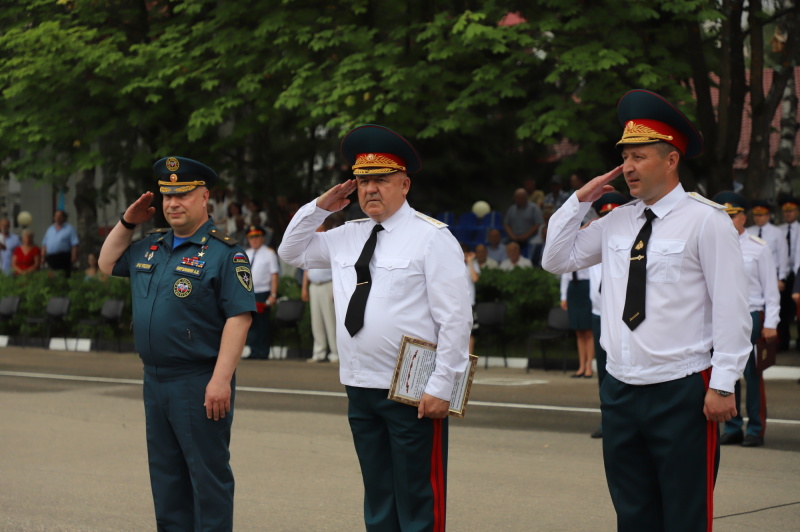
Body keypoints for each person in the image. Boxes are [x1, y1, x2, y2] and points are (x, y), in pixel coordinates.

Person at [542, 89, 751, 531]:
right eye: (624, 158)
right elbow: (557, 259)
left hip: (682, 390)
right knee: (633, 514)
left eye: (638, 157)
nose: (627, 168)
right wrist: (579, 200)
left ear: (671, 159)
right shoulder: (619, 219)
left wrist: (725, 384)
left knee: (684, 514)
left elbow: (732, 308)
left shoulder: (707, 221)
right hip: (620, 389)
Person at [278, 124, 472, 531]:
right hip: (360, 386)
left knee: (419, 497)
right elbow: (290, 250)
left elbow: (455, 318)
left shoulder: (431, 237)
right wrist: (320, 207)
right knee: (379, 496)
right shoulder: (346, 235)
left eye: (381, 181)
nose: (370, 190)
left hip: (413, 390)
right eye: (363, 181)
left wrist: (442, 384)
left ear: (404, 184)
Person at [98, 156, 255, 531]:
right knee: (167, 479)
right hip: (155, 379)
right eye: (167, 197)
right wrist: (127, 221)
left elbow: (240, 317)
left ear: (204, 198)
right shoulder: (151, 246)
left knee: (207, 478)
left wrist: (220, 380)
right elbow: (106, 263)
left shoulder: (224, 253)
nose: (173, 204)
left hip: (197, 380)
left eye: (182, 195)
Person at [713, 191, 779, 448]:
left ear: (743, 217)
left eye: (732, 216)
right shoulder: (714, 245)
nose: (728, 222)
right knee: (727, 372)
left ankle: (755, 428)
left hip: (752, 314)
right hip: (723, 316)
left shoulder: (758, 248)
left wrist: (771, 323)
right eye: (723, 217)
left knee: (753, 374)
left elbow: (771, 291)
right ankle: (732, 425)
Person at [587, 191, 629, 439]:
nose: (609, 219)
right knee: (604, 373)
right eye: (604, 214)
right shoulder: (594, 240)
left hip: (623, 316)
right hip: (598, 313)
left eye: (614, 214)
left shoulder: (631, 241)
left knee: (624, 371)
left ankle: (626, 421)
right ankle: (609, 420)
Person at [301, 214, 342, 363]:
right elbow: (307, 269)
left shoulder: (331, 245)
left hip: (328, 284)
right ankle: (319, 352)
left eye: (318, 229)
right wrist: (304, 288)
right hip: (314, 285)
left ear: (324, 230)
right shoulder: (310, 246)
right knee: (316, 321)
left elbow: (338, 269)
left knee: (330, 320)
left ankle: (335, 353)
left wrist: (336, 289)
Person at [244, 225, 280, 360]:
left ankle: (263, 352)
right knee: (250, 324)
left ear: (262, 238)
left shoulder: (269, 253)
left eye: (257, 237)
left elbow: (274, 275)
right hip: (248, 293)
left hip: (263, 292)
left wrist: (273, 294)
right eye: (251, 237)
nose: (254, 240)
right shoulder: (246, 253)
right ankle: (253, 351)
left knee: (263, 324)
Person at [746, 201, 789, 293]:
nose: (758, 218)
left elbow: (783, 255)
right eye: (756, 215)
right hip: (753, 274)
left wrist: (782, 278)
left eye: (761, 215)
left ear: (768, 215)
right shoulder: (748, 232)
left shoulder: (777, 232)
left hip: (772, 273)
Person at [560, 268, 594, 378]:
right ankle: (581, 366)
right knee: (578, 332)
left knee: (588, 331)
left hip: (587, 287)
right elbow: (565, 274)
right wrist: (564, 297)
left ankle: (589, 366)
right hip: (573, 289)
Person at [778, 197, 799, 350]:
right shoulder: (779, 230)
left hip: (798, 273)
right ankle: (783, 341)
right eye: (786, 211)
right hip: (783, 275)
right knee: (783, 310)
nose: (788, 214)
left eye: (791, 211)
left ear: (797, 212)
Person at [503, 187, 543, 257]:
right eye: (516, 197)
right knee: (502, 243)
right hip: (513, 237)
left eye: (519, 197)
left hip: (529, 237)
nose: (517, 199)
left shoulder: (534, 208)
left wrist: (526, 236)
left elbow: (538, 224)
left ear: (525, 197)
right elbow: (506, 224)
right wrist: (512, 236)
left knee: (533, 244)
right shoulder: (511, 209)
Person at [41, 210, 79, 276]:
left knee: (63, 275)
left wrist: (74, 256)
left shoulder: (69, 229)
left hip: (63, 257)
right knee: (52, 276)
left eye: (60, 216)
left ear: (64, 218)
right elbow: (45, 243)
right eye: (56, 216)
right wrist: (43, 256)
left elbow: (74, 244)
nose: (57, 218)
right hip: (51, 257)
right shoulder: (50, 229)